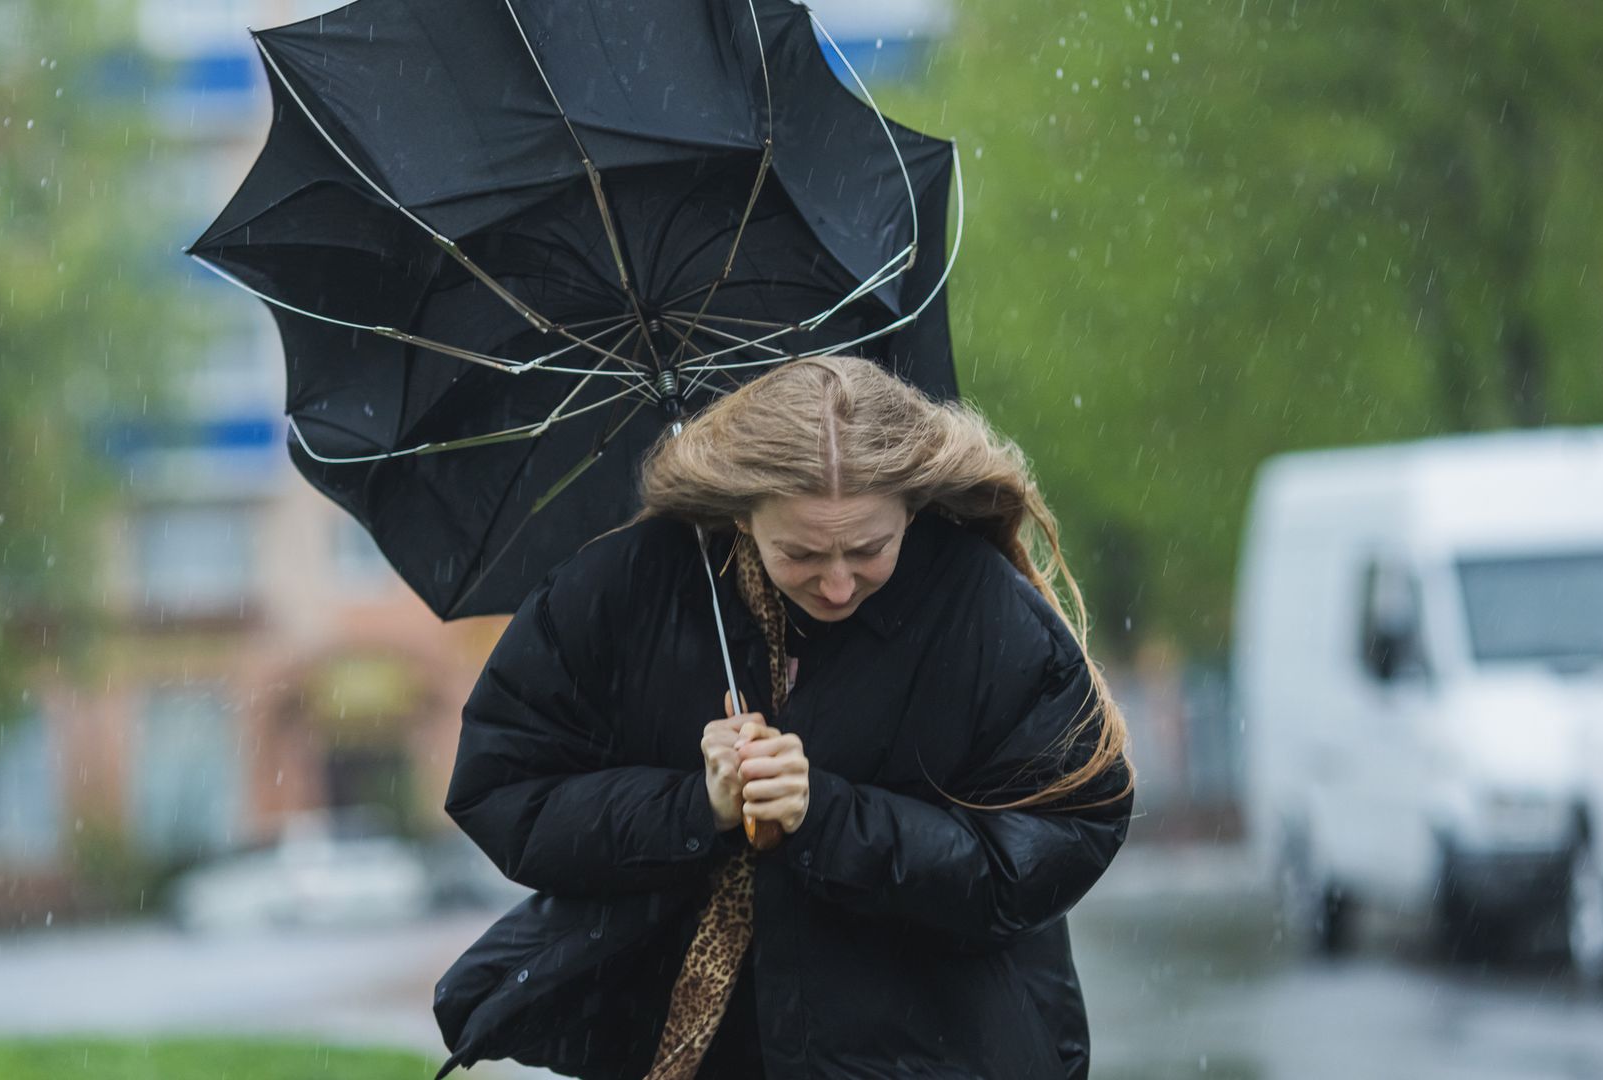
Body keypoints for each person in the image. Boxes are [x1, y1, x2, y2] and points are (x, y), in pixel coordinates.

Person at [433, 355, 1136, 1080]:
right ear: (741, 511)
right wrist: (695, 806)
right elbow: (505, 790)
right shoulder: (623, 593)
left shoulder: (981, 610)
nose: (837, 584)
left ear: (911, 506)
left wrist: (828, 817)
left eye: (869, 548)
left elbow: (1060, 839)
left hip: (938, 1056)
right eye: (799, 552)